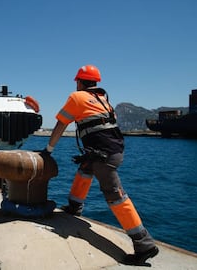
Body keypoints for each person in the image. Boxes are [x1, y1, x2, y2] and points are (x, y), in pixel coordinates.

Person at [43, 65, 158, 265]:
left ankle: (144, 244)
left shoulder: (77, 97)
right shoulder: (102, 99)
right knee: (86, 167)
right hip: (113, 151)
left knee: (115, 195)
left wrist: (48, 151)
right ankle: (74, 206)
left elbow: (61, 124)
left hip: (104, 156)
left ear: (79, 82)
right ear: (95, 83)